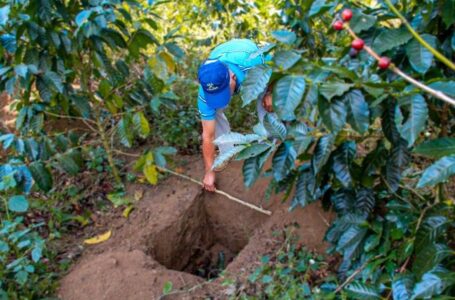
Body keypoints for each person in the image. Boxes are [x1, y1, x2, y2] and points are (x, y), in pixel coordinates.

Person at [197, 39, 273, 192]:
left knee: (268, 102)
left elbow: (276, 67)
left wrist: (271, 91)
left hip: (248, 61)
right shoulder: (205, 91)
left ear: (232, 77)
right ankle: (226, 151)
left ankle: (270, 144)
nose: (222, 99)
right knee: (213, 111)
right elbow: (208, 136)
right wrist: (209, 172)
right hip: (223, 59)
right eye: (215, 95)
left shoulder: (253, 62)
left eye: (224, 92)